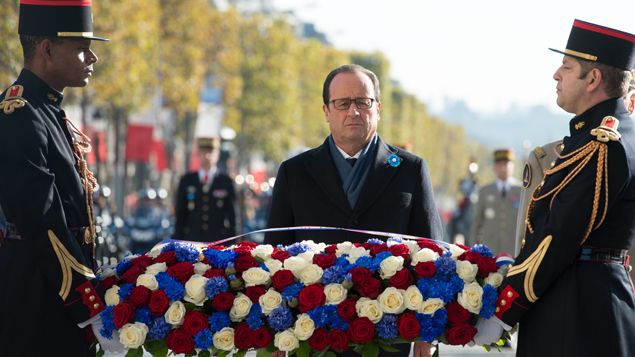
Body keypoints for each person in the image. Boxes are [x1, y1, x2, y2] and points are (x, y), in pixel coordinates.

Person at [473, 19, 635, 357]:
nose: (556, 75)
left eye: (566, 66)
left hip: (578, 309)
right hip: (588, 299)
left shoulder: (601, 144)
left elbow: (560, 232)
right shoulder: (600, 137)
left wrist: (504, 309)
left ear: (593, 79)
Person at [265, 64, 443, 357]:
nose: (354, 111)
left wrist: (428, 333)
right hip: (312, 334)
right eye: (342, 103)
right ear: (326, 111)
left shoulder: (410, 169)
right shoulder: (295, 172)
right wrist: (275, 335)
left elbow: (431, 254)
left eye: (363, 101)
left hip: (390, 332)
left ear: (378, 107)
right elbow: (274, 257)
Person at [0, 0, 123, 355]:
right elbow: (43, 221)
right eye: (82, 48)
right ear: (47, 48)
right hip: (34, 298)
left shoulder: (47, 110)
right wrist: (86, 302)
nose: (92, 58)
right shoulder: (18, 114)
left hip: (55, 296)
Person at [174, 137, 236, 242]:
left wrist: (233, 241)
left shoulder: (225, 181)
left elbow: (232, 214)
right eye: (203, 152)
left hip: (218, 240)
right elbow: (180, 213)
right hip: (192, 240)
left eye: (211, 152)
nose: (207, 156)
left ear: (218, 155)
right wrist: (177, 239)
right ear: (198, 154)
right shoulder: (187, 180)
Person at [471, 149, 521, 255]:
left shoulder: (522, 190)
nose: (503, 168)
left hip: (514, 250)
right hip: (490, 249)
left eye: (506, 164)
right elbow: (477, 222)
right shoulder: (485, 191)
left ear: (512, 166)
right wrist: (474, 250)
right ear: (494, 167)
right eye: (499, 164)